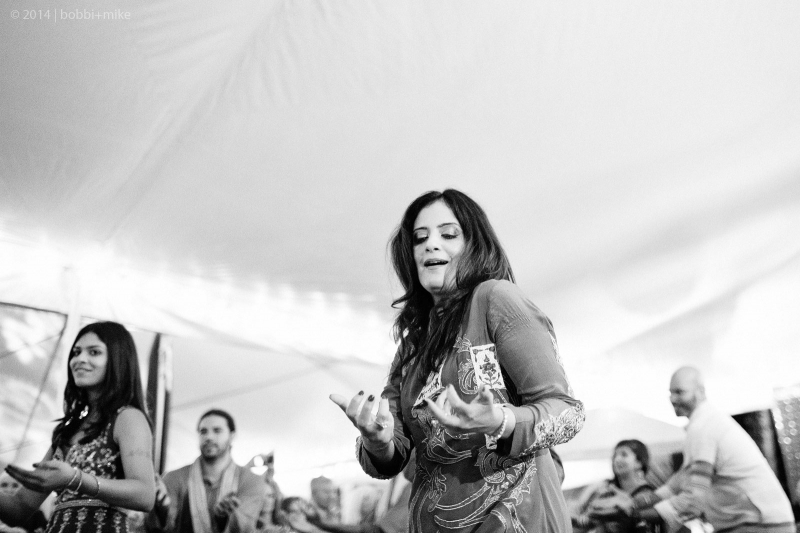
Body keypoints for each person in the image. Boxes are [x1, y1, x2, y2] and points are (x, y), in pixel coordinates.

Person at [330, 189, 585, 532]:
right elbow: (393, 455)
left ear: (474, 246)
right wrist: (377, 441)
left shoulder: (495, 299)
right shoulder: (412, 345)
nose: (431, 245)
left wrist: (501, 422)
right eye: (420, 238)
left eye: (448, 235)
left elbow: (567, 411)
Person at [0, 321, 157, 531]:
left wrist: (75, 479)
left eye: (94, 352)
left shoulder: (128, 417)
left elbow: (145, 495)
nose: (79, 359)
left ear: (118, 360)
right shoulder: (68, 430)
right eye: (76, 352)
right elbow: (19, 509)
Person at [610, 366, 795, 533]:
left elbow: (693, 500)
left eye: (680, 392)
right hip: (760, 522)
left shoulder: (703, 428)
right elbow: (678, 483)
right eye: (671, 393)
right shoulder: (704, 423)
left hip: (761, 524)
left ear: (701, 391)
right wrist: (634, 503)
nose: (672, 399)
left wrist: (633, 514)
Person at [145, 409, 268, 533]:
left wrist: (224, 518)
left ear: (232, 435)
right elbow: (159, 528)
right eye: (203, 432)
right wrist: (161, 510)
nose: (209, 437)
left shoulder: (251, 481)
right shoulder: (173, 478)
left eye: (217, 431)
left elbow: (245, 527)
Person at [571, 440, 661, 533]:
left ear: (639, 462)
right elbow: (587, 521)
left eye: (624, 455)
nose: (617, 459)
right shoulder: (606, 490)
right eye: (614, 456)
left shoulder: (648, 495)